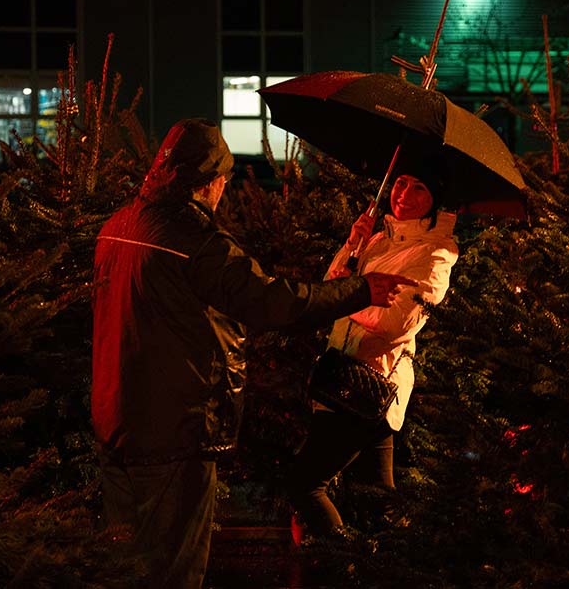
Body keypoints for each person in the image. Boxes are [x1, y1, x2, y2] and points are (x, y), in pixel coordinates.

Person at [91, 118, 415, 589]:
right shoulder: (194, 243)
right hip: (174, 430)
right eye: (222, 183)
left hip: (114, 419)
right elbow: (274, 302)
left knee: (122, 567)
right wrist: (359, 289)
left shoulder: (117, 226)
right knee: (173, 570)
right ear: (210, 183)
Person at [288, 166, 460, 541]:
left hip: (369, 383)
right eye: (400, 182)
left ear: (436, 200)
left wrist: (346, 298)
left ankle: (346, 570)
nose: (403, 194)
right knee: (377, 503)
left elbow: (397, 322)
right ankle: (393, 571)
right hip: (342, 376)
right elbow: (329, 289)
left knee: (303, 484)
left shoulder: (435, 253)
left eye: (419, 187)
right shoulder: (379, 239)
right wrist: (353, 245)